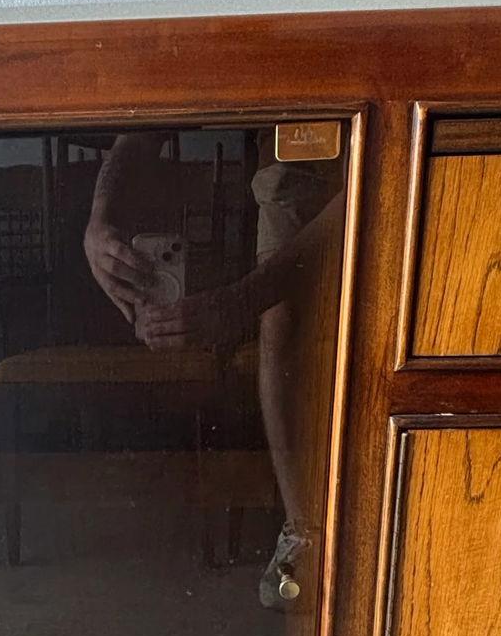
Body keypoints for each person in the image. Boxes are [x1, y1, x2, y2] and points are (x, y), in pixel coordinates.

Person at [82, 129, 345, 608]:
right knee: (283, 319)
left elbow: (382, 187)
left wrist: (241, 300)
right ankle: (306, 529)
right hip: (302, 147)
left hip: (400, 139)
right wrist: (97, 225)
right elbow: (138, 135)